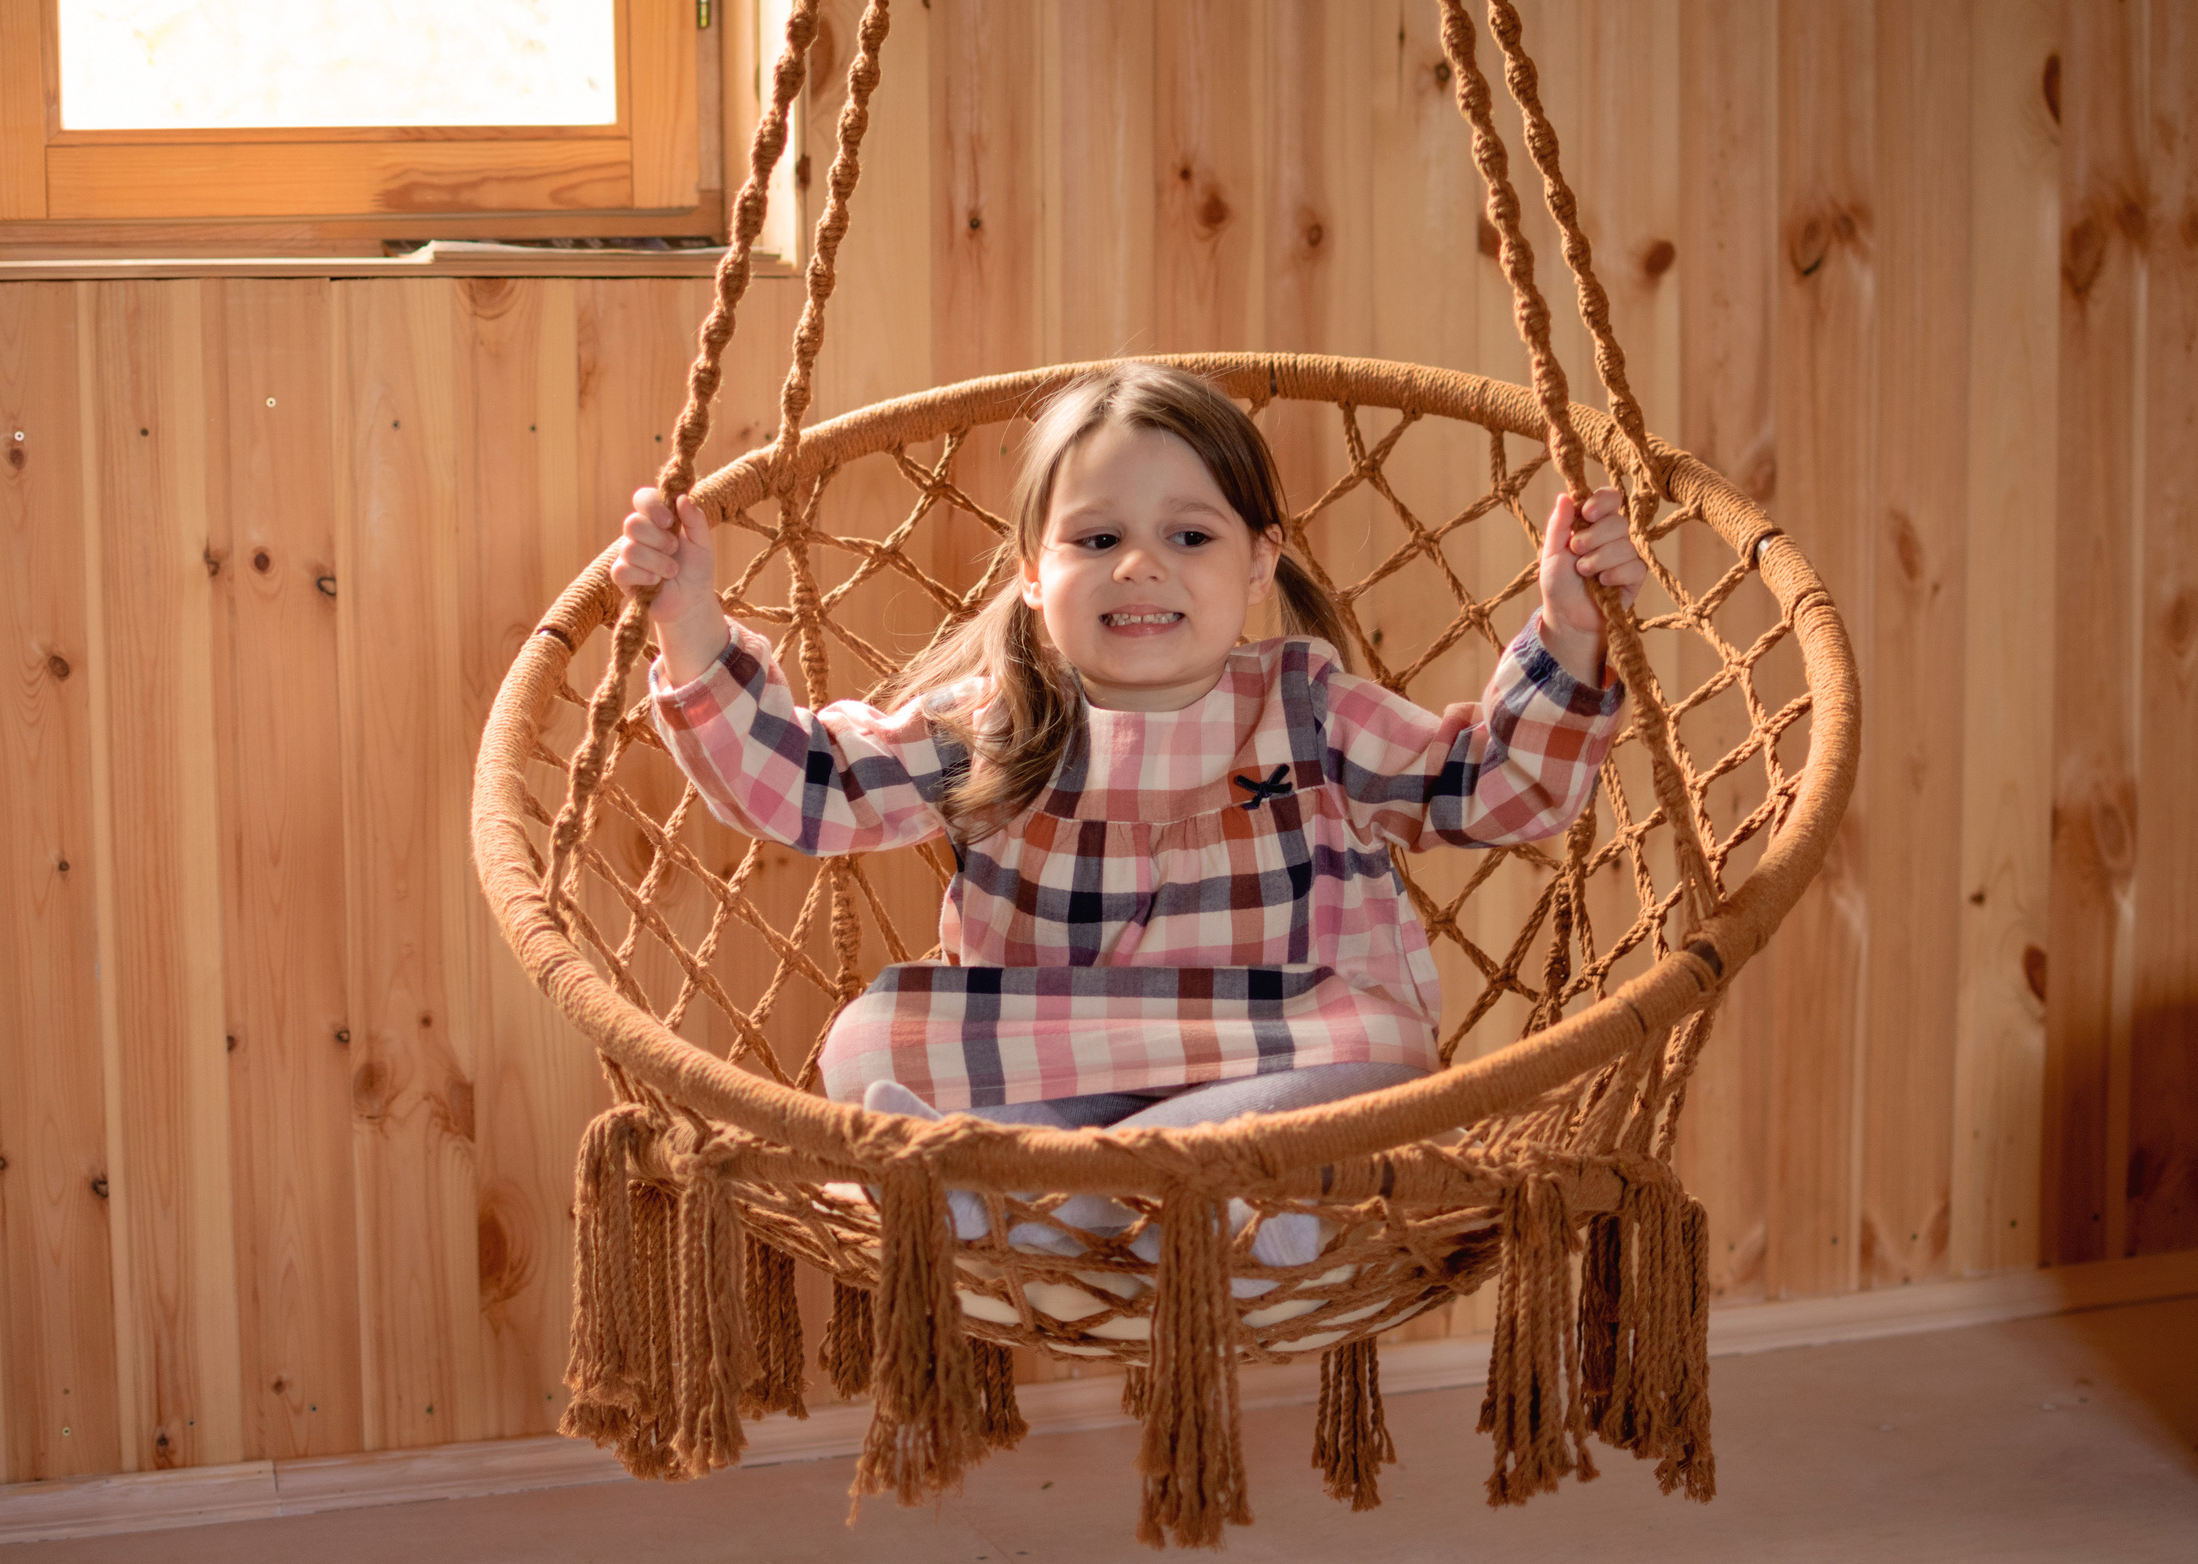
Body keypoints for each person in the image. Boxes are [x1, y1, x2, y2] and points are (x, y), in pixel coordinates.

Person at [615, 362, 1640, 1265]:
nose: (1139, 565)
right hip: (1055, 1046)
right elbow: (806, 786)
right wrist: (690, 621)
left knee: (1382, 1046)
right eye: (1096, 537)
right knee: (867, 1039)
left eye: (1187, 535)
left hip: (1272, 1045)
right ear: (1031, 577)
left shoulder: (1310, 708)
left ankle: (1024, 1202)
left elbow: (1500, 791)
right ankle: (1189, 1206)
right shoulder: (998, 724)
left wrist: (1571, 628)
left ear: (1256, 564)